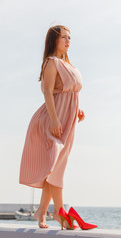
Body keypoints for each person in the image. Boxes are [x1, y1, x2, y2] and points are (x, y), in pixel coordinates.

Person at [19, 25, 97, 230]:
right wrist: (54, 120)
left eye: (70, 37)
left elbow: (70, 93)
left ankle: (42, 212)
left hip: (67, 120)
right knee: (54, 164)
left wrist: (77, 109)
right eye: (64, 37)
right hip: (52, 119)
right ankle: (59, 211)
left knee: (54, 168)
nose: (68, 40)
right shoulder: (52, 63)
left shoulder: (68, 64)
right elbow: (47, 92)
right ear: (54, 40)